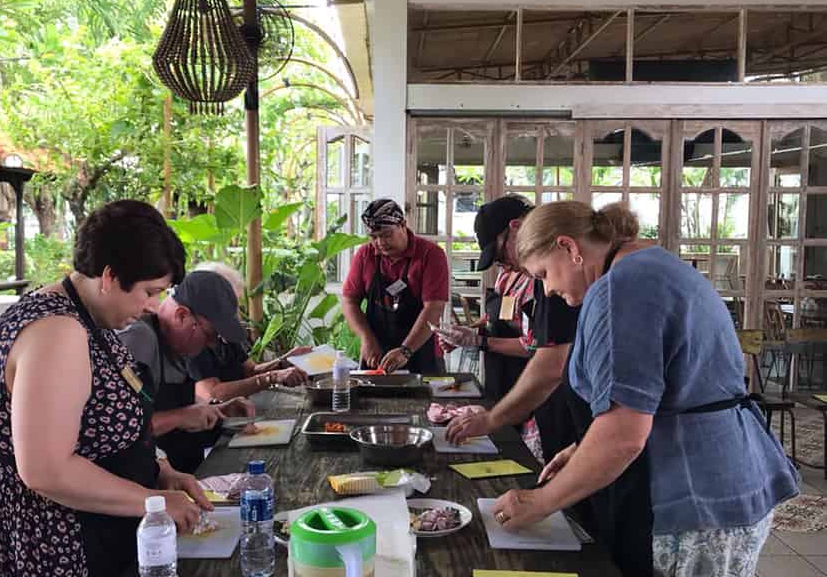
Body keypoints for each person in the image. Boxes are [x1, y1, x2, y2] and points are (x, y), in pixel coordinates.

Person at [492, 200, 799, 576]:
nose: (549, 289)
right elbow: (671, 389)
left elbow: (624, 436)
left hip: (690, 497)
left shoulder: (619, 289)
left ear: (569, 248)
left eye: (543, 273)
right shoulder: (655, 264)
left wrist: (540, 502)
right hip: (729, 480)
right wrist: (583, 449)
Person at [0, 200, 212, 576]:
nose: (153, 307)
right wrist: (153, 501)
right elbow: (46, 471)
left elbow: (93, 430)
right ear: (109, 277)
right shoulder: (57, 331)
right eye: (148, 291)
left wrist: (156, 469)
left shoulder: (86, 318)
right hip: (48, 539)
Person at [445, 196, 581, 469]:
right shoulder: (515, 272)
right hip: (513, 386)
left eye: (501, 253)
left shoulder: (554, 277)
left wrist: (492, 419)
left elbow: (548, 357)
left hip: (549, 399)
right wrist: (470, 332)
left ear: (517, 227)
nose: (505, 263)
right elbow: (502, 316)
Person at [119, 270, 256, 473]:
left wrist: (218, 410)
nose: (211, 344)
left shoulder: (178, 344)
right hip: (147, 486)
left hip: (186, 474)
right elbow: (121, 426)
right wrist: (179, 417)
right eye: (210, 335)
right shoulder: (141, 339)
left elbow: (178, 407)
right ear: (182, 315)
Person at [341, 198, 448, 373]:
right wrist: (366, 338)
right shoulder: (365, 255)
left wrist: (406, 350)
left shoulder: (430, 254)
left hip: (421, 351)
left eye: (387, 235)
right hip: (376, 353)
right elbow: (349, 301)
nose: (380, 243)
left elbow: (434, 308)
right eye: (374, 237)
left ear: (403, 225)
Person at [189, 262, 311, 402]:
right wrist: (272, 377)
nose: (236, 314)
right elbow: (213, 394)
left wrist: (285, 361)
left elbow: (250, 371)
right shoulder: (190, 337)